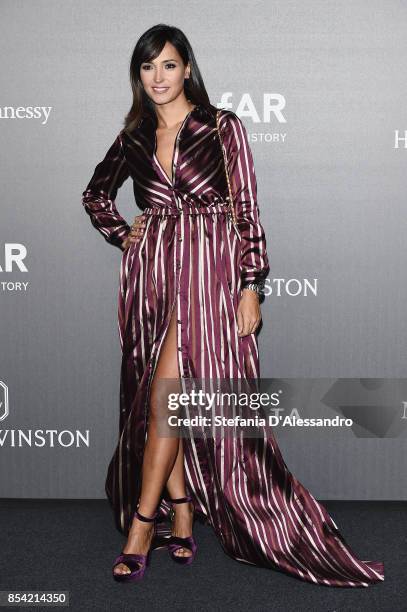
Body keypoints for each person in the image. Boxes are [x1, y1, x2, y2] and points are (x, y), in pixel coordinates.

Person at [81, 24, 384, 586]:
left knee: (169, 397)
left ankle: (144, 526)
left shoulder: (222, 127)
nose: (158, 78)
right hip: (153, 277)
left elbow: (246, 208)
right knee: (160, 397)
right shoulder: (135, 135)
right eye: (148, 68)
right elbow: (96, 193)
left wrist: (251, 285)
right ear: (138, 75)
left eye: (168, 66)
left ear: (187, 68)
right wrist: (125, 234)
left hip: (211, 274)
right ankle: (183, 513)